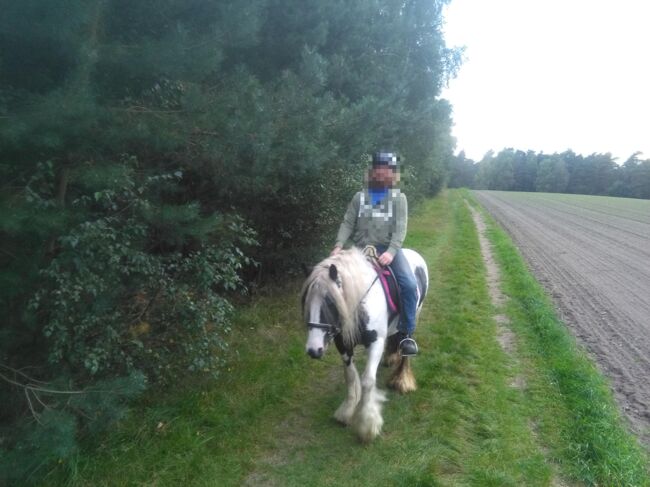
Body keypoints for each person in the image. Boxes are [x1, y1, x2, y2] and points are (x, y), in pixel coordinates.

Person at [331, 151, 419, 356]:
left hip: (388, 251)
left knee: (408, 284)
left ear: (392, 173)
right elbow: (347, 222)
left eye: (386, 169)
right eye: (378, 168)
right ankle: (337, 325)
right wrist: (338, 244)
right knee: (336, 280)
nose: (381, 172)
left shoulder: (399, 199)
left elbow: (400, 229)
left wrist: (391, 251)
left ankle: (406, 334)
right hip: (360, 250)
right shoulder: (359, 197)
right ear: (372, 171)